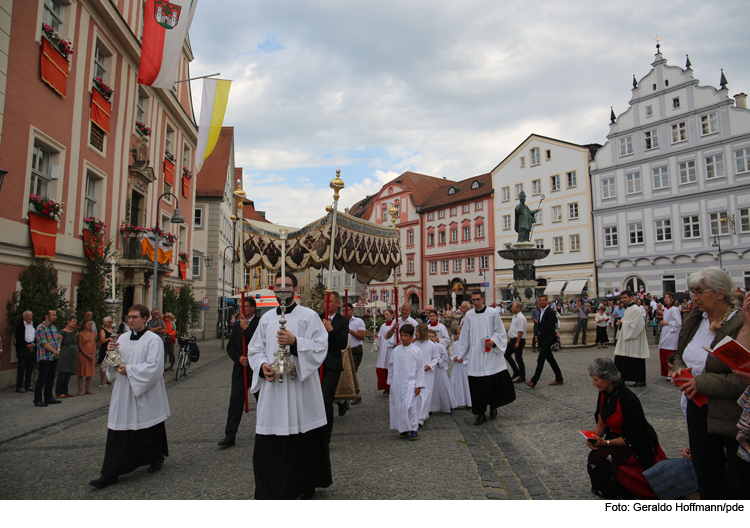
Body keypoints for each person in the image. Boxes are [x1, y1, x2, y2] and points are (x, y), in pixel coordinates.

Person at [247, 273, 330, 499]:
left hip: (300, 388)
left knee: (302, 435)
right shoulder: (265, 319)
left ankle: (303, 485)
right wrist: (262, 365)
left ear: (295, 289)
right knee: (272, 436)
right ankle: (272, 486)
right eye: (278, 286)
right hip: (274, 389)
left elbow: (321, 346)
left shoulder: (309, 316)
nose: (283, 290)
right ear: (274, 290)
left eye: (287, 286)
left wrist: (296, 343)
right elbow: (255, 348)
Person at [672, 267, 749, 499]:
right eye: (692, 292)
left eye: (698, 292)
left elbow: (742, 378)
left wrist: (701, 382)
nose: (692, 298)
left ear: (720, 293)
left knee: (738, 480)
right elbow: (680, 353)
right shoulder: (696, 319)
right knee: (705, 474)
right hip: (696, 407)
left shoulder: (740, 325)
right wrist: (678, 369)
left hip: (730, 414)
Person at [89, 304, 170, 490]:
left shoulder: (153, 340)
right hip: (124, 389)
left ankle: (156, 456)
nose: (130, 320)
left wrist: (131, 370)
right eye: (129, 317)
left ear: (144, 319)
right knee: (120, 425)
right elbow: (112, 362)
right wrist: (111, 352)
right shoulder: (122, 338)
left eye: (134, 317)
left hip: (145, 390)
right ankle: (110, 472)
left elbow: (155, 367)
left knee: (149, 423)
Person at [585, 357, 667, 499]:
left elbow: (633, 436)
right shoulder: (604, 394)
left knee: (607, 458)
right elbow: (601, 423)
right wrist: (593, 438)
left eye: (596, 380)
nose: (594, 384)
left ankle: (624, 492)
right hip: (616, 438)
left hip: (635, 442)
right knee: (594, 457)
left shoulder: (628, 400)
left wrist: (605, 443)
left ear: (608, 379)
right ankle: (607, 491)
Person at [454, 291, 513, 425]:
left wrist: (493, 341)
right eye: (473, 300)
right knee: (477, 387)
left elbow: (500, 331)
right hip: (475, 356)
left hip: (490, 354)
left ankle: (493, 406)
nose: (476, 302)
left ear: (483, 299)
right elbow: (464, 336)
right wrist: (461, 354)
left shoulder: (492, 313)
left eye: (478, 299)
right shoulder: (469, 315)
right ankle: (480, 413)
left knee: (491, 384)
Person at [218, 296, 259, 448]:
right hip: (240, 370)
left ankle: (267, 433)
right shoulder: (237, 325)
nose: (243, 309)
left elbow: (258, 341)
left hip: (256, 370)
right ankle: (230, 435)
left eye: (246, 306)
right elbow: (230, 347)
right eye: (242, 307)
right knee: (235, 403)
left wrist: (246, 328)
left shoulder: (259, 323)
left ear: (253, 308)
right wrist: (238, 358)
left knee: (263, 401)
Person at [320, 291, 349, 439]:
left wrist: (330, 329)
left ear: (337, 303)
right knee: (315, 400)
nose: (327, 304)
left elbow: (342, 343)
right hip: (317, 365)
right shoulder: (317, 318)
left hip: (332, 365)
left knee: (326, 400)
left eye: (330, 301)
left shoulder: (342, 321)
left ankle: (326, 437)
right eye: (325, 301)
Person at [388, 325, 425, 440]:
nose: (403, 338)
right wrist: (391, 382)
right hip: (398, 382)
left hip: (411, 382)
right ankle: (403, 428)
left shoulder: (417, 351)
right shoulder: (395, 351)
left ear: (411, 336)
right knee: (399, 405)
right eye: (401, 335)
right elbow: (391, 366)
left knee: (410, 406)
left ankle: (413, 429)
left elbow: (420, 369)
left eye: (406, 336)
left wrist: (419, 384)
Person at [526, 294, 564, 388]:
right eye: (540, 300)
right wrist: (537, 335)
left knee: (540, 360)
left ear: (547, 301)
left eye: (543, 300)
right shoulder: (540, 311)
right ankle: (559, 378)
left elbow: (548, 328)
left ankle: (534, 381)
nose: (542, 302)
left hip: (548, 339)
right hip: (543, 339)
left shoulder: (550, 312)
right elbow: (540, 325)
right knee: (551, 360)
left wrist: (539, 336)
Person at [613, 290, 649, 387]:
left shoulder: (635, 309)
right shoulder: (628, 309)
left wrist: (623, 323)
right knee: (621, 358)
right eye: (622, 298)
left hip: (634, 339)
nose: (623, 300)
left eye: (625, 297)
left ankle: (639, 380)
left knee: (634, 359)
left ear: (631, 298)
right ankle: (622, 378)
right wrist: (622, 322)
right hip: (628, 338)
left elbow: (637, 325)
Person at [34, 310, 61, 407]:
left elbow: (58, 339)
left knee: (51, 377)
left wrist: (57, 350)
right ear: (47, 316)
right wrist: (54, 351)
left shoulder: (54, 327)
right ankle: (37, 399)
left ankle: (48, 397)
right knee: (42, 378)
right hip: (45, 356)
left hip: (54, 356)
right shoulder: (41, 328)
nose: (55, 316)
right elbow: (43, 342)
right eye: (53, 315)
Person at [413, 324, 437, 426]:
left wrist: (430, 365)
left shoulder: (432, 345)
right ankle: (418, 414)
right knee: (418, 395)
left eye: (417, 331)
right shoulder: (414, 345)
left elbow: (436, 358)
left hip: (427, 373)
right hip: (417, 373)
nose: (415, 333)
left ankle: (422, 416)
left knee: (426, 394)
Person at [428, 328, 454, 413]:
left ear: (436, 337)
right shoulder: (427, 347)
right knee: (431, 389)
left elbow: (445, 357)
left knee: (441, 389)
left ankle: (445, 406)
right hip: (430, 370)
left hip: (439, 370)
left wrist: (439, 362)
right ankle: (430, 407)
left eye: (433, 336)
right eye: (429, 336)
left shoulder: (440, 347)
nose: (431, 338)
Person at [658, 293, 681, 378]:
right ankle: (666, 372)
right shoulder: (666, 309)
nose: (666, 299)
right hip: (666, 330)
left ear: (672, 299)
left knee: (668, 351)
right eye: (665, 297)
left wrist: (667, 323)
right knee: (663, 351)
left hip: (672, 332)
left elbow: (678, 323)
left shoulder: (674, 309)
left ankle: (671, 372)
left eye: (669, 298)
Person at [55, 315, 78, 399]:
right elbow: (59, 342)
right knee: (63, 373)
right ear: (68, 321)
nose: (75, 323)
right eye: (73, 321)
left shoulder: (75, 332)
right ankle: (59, 391)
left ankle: (65, 391)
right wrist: (58, 350)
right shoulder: (62, 332)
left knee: (69, 373)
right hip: (65, 354)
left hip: (72, 354)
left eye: (76, 321)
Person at [374, 308, 395, 395]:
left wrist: (389, 340)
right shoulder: (383, 325)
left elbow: (394, 336)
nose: (386, 316)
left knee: (390, 367)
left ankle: (391, 387)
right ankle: (385, 386)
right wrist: (377, 337)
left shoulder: (394, 324)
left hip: (390, 348)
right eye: (385, 314)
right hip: (384, 348)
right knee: (382, 367)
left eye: (387, 314)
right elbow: (381, 336)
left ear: (392, 315)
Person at [15, 311, 37, 393]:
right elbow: (19, 337)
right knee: (21, 367)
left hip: (33, 346)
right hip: (23, 348)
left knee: (30, 367)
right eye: (28, 316)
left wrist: (33, 344)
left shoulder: (35, 324)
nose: (30, 317)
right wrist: (26, 345)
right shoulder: (19, 326)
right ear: (24, 317)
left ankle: (28, 384)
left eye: (31, 316)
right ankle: (19, 386)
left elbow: (37, 335)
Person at [505, 301, 527, 383]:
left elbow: (520, 331)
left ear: (518, 308)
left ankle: (522, 376)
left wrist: (517, 342)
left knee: (518, 358)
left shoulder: (521, 318)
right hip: (513, 339)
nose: (512, 308)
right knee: (506, 354)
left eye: (514, 307)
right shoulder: (515, 316)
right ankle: (516, 371)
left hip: (518, 340)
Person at [450, 325, 471, 408]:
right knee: (456, 383)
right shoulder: (455, 344)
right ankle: (457, 402)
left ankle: (468, 401)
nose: (459, 335)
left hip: (465, 367)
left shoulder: (468, 344)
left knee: (466, 384)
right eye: (458, 333)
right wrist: (454, 358)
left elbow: (470, 354)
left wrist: (464, 359)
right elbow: (452, 354)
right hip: (457, 367)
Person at [344, 303, 366, 373]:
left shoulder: (358, 321)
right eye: (344, 310)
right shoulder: (341, 321)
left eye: (348, 310)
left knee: (352, 371)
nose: (345, 312)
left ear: (352, 311)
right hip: (343, 349)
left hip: (355, 349)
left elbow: (362, 336)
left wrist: (350, 331)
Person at [76, 319, 96, 395]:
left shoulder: (93, 333)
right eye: (89, 324)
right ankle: (80, 389)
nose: (90, 325)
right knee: (81, 373)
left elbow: (94, 344)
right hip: (83, 354)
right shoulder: (81, 333)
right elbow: (80, 345)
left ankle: (87, 389)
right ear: (84, 325)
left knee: (89, 373)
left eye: (91, 324)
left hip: (91, 354)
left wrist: (93, 353)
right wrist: (86, 354)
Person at [98, 317, 114, 388]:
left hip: (111, 348)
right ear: (105, 323)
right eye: (109, 322)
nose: (111, 324)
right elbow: (103, 340)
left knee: (110, 365)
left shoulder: (112, 329)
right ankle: (102, 381)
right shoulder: (102, 330)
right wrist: (111, 338)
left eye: (111, 322)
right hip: (105, 348)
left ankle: (109, 379)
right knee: (103, 365)